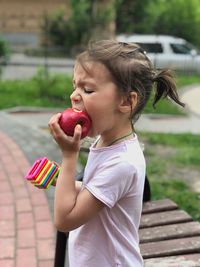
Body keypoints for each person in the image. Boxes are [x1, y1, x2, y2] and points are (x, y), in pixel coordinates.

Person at [48, 40, 185, 267]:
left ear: (126, 101)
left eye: (88, 89)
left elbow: (64, 220)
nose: (74, 95)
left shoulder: (123, 162)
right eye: (75, 86)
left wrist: (69, 156)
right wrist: (61, 178)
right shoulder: (107, 141)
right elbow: (98, 191)